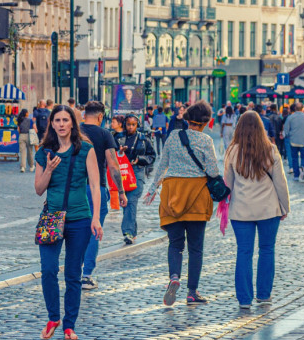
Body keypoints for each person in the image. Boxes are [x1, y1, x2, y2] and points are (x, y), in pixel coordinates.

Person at [34, 105, 103, 340]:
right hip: (52, 218)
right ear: (51, 124)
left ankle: (69, 325)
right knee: (48, 270)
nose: (62, 124)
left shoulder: (86, 149)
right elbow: (38, 189)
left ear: (73, 123)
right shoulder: (44, 152)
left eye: (66, 120)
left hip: (79, 219)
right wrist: (49, 170)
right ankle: (54, 316)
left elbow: (95, 185)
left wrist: (96, 218)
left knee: (73, 274)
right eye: (57, 120)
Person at [144, 101, 219, 306]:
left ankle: (174, 276)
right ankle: (192, 292)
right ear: (205, 123)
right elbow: (212, 171)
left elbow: (162, 165)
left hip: (173, 193)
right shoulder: (205, 140)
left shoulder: (173, 137)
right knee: (196, 247)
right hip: (196, 194)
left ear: (187, 120)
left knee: (175, 243)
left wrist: (152, 190)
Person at [223, 111, 290, 310]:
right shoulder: (270, 150)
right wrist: (284, 206)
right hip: (268, 209)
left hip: (241, 210)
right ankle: (264, 294)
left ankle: (244, 299)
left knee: (244, 252)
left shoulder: (232, 151)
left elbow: (228, 184)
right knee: (267, 250)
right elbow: (280, 183)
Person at [79, 101, 127, 290]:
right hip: (95, 189)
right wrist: (121, 191)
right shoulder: (104, 134)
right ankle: (87, 275)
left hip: (74, 188)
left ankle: (74, 271)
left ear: (84, 115)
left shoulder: (75, 132)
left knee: (74, 231)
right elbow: (113, 165)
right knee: (93, 231)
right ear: (100, 117)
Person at [115, 115, 156, 245]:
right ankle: (132, 231)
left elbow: (152, 156)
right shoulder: (118, 137)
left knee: (131, 200)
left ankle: (128, 232)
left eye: (133, 124)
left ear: (137, 125)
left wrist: (140, 159)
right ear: (125, 124)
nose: (131, 127)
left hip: (137, 172)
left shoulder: (144, 139)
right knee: (126, 201)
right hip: (122, 173)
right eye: (128, 124)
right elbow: (110, 154)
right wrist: (119, 152)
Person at [282, 102, 304, 181]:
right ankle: (302, 167)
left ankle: (296, 175)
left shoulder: (290, 117)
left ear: (295, 109)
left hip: (293, 140)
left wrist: (287, 135)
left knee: (294, 158)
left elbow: (286, 129)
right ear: (302, 108)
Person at [17, 109, 36, 174]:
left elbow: (18, 130)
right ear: (26, 114)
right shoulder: (30, 120)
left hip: (21, 136)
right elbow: (35, 129)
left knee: (22, 152)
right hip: (29, 136)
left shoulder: (20, 120)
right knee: (30, 152)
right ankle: (31, 166)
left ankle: (23, 167)